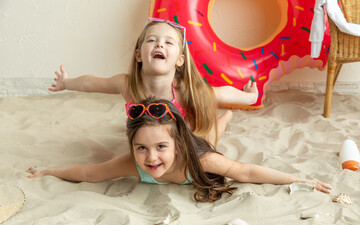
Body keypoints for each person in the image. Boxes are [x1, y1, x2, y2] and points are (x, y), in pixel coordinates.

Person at [27, 98, 331, 202]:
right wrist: (47, 171)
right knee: (204, 133)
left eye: (160, 147)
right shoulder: (135, 163)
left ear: (176, 144)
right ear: (132, 146)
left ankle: (227, 115)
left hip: (198, 147)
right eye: (141, 148)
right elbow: (89, 173)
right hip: (186, 140)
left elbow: (246, 171)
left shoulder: (200, 159)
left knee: (211, 134)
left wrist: (297, 180)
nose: (151, 158)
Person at [49, 18, 258, 144]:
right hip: (151, 144)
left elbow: (221, 93)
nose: (160, 45)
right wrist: (67, 83)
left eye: (168, 42)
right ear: (139, 55)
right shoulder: (129, 85)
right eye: (152, 40)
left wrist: (250, 97)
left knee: (210, 139)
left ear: (179, 60)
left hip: (185, 141)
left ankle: (227, 117)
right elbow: (93, 83)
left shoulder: (184, 90)